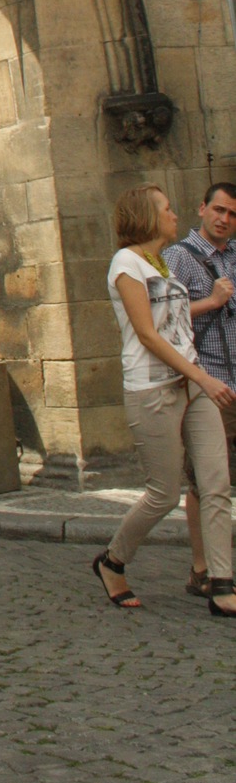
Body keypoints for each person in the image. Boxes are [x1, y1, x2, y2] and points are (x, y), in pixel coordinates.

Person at [93, 185, 236, 619]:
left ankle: (221, 583)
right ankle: (112, 561)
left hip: (191, 385)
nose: (175, 215)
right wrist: (204, 376)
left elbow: (175, 324)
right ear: (147, 216)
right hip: (153, 389)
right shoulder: (126, 263)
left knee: (216, 485)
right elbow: (147, 335)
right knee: (163, 494)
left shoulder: (161, 263)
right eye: (168, 209)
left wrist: (198, 372)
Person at [163, 181, 236, 597]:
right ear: (202, 208)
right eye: (219, 210)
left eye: (232, 214)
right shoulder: (178, 257)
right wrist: (211, 301)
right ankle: (202, 568)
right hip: (208, 382)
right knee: (206, 482)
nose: (225, 219)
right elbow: (161, 319)